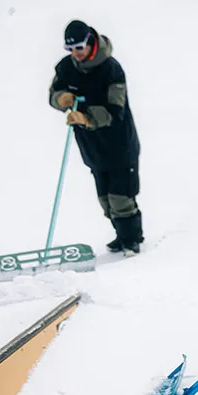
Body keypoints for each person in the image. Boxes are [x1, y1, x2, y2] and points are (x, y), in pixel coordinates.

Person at [48, 20, 144, 254]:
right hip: (92, 147)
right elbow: (54, 92)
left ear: (90, 42)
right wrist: (61, 100)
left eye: (79, 48)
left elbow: (115, 111)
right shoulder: (65, 68)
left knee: (121, 197)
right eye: (70, 49)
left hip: (119, 144)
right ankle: (120, 235)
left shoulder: (112, 69)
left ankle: (131, 240)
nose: (75, 54)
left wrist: (86, 118)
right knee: (105, 199)